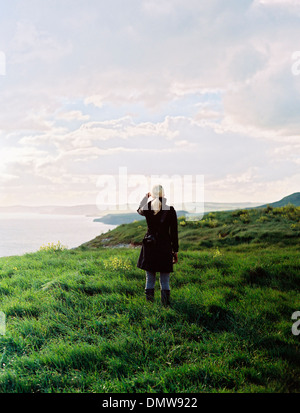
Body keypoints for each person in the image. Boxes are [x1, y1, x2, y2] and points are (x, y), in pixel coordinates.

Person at [136, 184, 179, 306]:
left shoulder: (147, 208)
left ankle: (149, 306)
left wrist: (145, 198)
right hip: (165, 248)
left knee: (150, 279)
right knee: (165, 280)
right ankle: (166, 307)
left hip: (150, 247)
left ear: (152, 194)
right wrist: (175, 251)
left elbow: (139, 209)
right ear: (163, 194)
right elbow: (174, 233)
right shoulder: (170, 210)